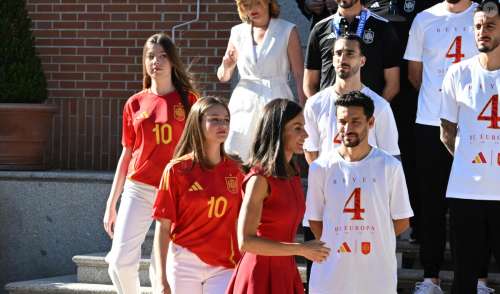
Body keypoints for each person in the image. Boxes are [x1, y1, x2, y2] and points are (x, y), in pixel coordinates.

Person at [103, 33, 198, 294]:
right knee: (119, 263)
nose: (156, 61)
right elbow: (126, 155)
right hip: (139, 188)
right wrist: (112, 203)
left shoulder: (189, 101)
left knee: (164, 269)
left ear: (173, 61)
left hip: (176, 190)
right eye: (150, 56)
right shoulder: (134, 103)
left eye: (163, 56)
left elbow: (199, 148)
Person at [404, 0, 481, 292]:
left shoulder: (483, 16)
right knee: (431, 203)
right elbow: (415, 75)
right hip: (430, 122)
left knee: (475, 205)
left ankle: (479, 279)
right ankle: (430, 277)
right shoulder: (424, 19)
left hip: (475, 125)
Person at [306, 91, 414, 294]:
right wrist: (339, 243)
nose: (347, 128)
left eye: (355, 121)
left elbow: (402, 221)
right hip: (330, 277)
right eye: (342, 121)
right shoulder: (320, 167)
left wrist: (373, 239)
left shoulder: (390, 166)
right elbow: (314, 220)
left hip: (376, 277)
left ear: (371, 122)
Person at [226, 99, 331, 294]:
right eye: (297, 128)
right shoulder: (259, 180)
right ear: (278, 130)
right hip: (259, 274)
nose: (306, 135)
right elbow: (246, 242)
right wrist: (301, 249)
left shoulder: (293, 173)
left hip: (285, 270)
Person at [152, 97, 244, 294]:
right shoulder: (177, 170)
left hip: (224, 264)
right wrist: (161, 279)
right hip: (184, 261)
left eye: (226, 120)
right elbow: (163, 227)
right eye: (215, 119)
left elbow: (242, 222)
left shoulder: (237, 171)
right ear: (198, 123)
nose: (223, 125)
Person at [440, 1, 499, 293]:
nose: (482, 32)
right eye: (477, 26)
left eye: (490, 26)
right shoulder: (457, 73)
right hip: (465, 191)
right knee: (463, 276)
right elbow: (446, 132)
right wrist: (468, 160)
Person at [218, 0, 306, 163]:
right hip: (244, 99)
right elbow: (223, 76)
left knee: (274, 155)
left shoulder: (287, 30)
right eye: (246, 5)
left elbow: (299, 73)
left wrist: (303, 109)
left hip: (276, 97)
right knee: (238, 152)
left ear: (268, 3)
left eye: (256, 3)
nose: (252, 9)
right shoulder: (237, 32)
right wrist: (227, 65)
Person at [304, 34, 400, 164]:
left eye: (350, 53)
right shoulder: (314, 104)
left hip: (368, 181)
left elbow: (391, 157)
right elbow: (310, 150)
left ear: (362, 61)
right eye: (338, 53)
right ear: (332, 60)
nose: (342, 59)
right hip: (328, 181)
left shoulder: (380, 106)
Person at [303, 0, 401, 100]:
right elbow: (309, 84)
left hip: (366, 112)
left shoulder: (383, 27)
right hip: (329, 112)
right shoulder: (319, 29)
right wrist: (319, 110)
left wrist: (374, 112)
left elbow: (393, 84)